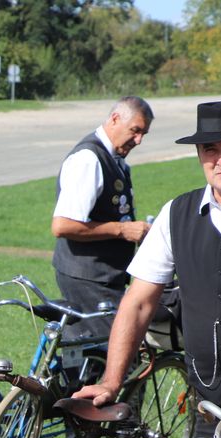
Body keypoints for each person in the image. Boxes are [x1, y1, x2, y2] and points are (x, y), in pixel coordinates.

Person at [75, 98, 221, 438]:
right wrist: (111, 381)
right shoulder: (177, 214)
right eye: (210, 148)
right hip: (213, 407)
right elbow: (137, 303)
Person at [52, 96, 154, 339]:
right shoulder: (89, 160)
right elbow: (63, 225)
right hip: (89, 278)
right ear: (115, 119)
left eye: (143, 134)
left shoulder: (113, 158)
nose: (138, 140)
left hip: (103, 276)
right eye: (135, 130)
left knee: (92, 354)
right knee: (114, 352)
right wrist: (122, 230)